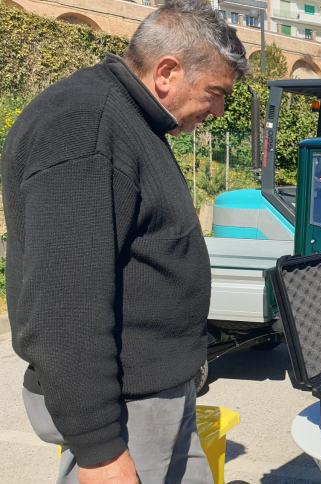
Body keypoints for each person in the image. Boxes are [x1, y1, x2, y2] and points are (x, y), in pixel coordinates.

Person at [1, 1, 247, 482]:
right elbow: (65, 306)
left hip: (158, 390)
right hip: (126, 407)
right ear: (168, 72)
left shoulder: (130, 120)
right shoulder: (86, 129)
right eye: (215, 93)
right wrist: (99, 451)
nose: (218, 110)